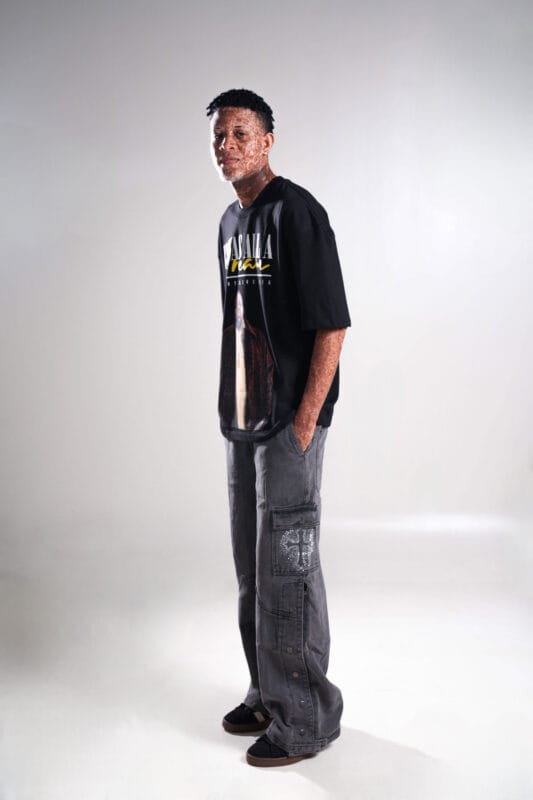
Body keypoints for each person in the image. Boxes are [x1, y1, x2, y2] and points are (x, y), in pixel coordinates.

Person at [207, 88, 351, 768]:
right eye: (219, 136)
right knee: (253, 567)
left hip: (291, 421)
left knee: (288, 566)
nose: (227, 145)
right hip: (242, 417)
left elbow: (332, 325)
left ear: (267, 141)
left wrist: (304, 422)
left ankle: (307, 718)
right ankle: (268, 692)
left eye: (240, 133)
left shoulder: (298, 212)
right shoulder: (229, 224)